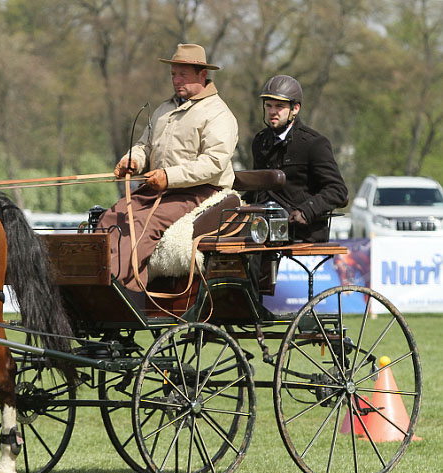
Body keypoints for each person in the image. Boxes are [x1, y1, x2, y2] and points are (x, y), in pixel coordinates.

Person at [98, 43, 238, 291]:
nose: (176, 80)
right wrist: (133, 160)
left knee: (141, 225)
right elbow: (145, 146)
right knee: (111, 216)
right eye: (173, 74)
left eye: (182, 74)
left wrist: (168, 176)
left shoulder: (218, 113)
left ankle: (122, 289)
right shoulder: (164, 110)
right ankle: (94, 280)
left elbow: (214, 163)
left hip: (198, 192)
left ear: (202, 75)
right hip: (159, 190)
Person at [246, 75, 348, 242]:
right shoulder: (260, 141)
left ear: (295, 109)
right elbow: (256, 189)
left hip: (303, 235)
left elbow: (338, 190)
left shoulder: (314, 143)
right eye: (268, 105)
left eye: (279, 106)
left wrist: (307, 211)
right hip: (264, 233)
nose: (272, 111)